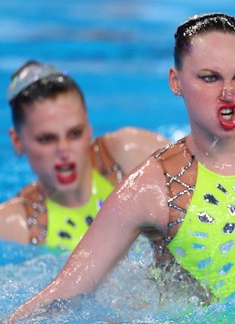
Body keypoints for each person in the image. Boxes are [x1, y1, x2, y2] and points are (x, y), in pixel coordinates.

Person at [5, 13, 235, 324]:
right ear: (176, 82)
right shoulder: (149, 190)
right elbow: (68, 291)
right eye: (209, 78)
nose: (228, 94)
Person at [0, 60, 170, 250]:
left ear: (89, 128)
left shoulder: (133, 154)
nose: (64, 150)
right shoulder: (14, 226)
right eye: (47, 138)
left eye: (75, 133)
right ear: (17, 142)